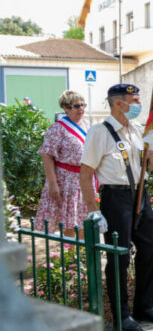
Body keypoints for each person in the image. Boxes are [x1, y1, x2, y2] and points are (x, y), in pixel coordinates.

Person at [80, 83, 153, 331]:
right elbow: (85, 175)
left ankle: (145, 306)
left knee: (150, 249)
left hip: (140, 194)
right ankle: (122, 313)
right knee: (120, 256)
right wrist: (92, 210)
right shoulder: (100, 132)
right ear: (118, 103)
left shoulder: (139, 130)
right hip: (115, 198)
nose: (138, 105)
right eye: (134, 100)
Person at [35, 91, 96, 238]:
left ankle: (81, 254)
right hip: (67, 181)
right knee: (70, 222)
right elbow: (47, 155)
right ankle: (71, 255)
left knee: (85, 221)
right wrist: (52, 183)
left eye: (83, 105)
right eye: (76, 106)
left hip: (86, 178)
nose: (81, 108)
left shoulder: (89, 126)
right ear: (65, 107)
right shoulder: (57, 128)